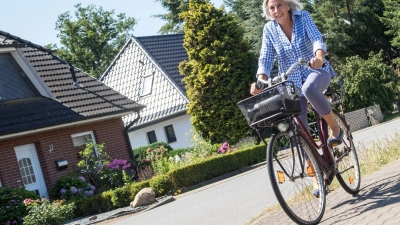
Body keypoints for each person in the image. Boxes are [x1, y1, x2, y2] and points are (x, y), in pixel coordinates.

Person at [250, 0, 342, 196]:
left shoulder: (304, 18)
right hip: (291, 84)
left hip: (316, 72)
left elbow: (317, 38)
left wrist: (319, 56)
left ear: (288, 5)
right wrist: (260, 79)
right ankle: (317, 179)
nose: (276, 11)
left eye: (279, 5)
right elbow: (265, 57)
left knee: (309, 88)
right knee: (298, 131)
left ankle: (335, 127)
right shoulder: (270, 29)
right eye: (272, 8)